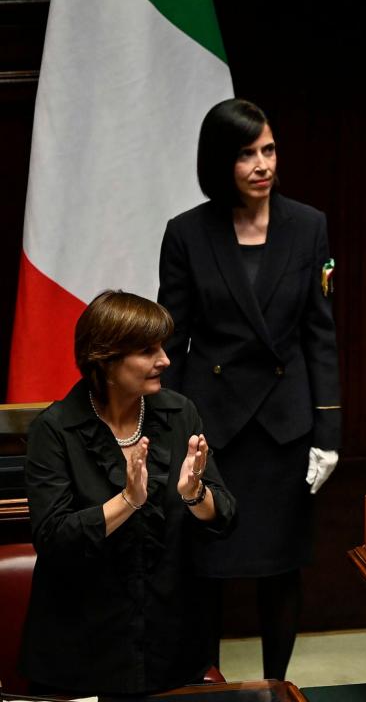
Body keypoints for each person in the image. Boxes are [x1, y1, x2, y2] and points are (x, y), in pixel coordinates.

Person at [157, 98, 341, 680]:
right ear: (220, 162)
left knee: (281, 568)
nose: (262, 165)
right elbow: (171, 343)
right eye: (245, 154)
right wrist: (169, 431)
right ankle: (206, 683)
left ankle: (276, 685)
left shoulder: (308, 225)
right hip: (212, 429)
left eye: (269, 150)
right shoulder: (187, 233)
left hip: (284, 426)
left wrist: (329, 433)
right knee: (205, 568)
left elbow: (320, 336)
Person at [21, 291, 235, 695]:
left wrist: (194, 495)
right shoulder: (55, 430)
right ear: (105, 359)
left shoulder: (179, 413)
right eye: (147, 351)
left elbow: (225, 514)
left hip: (171, 644)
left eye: (162, 347)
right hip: (82, 648)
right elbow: (53, 538)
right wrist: (127, 502)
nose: (165, 360)